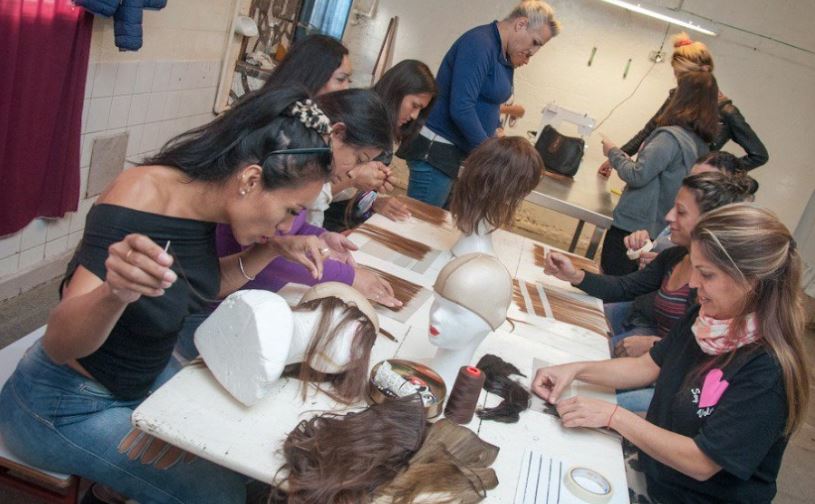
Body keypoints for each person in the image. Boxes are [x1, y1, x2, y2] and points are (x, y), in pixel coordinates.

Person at [0, 87, 337, 503]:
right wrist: (114, 294)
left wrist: (270, 248)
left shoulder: (204, 201)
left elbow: (203, 284)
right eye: (290, 211)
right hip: (62, 406)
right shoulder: (145, 195)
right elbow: (59, 342)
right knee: (222, 495)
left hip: (136, 382)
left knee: (248, 446)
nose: (290, 226)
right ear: (251, 179)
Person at [532, 203, 809, 502]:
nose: (692, 283)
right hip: (657, 476)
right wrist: (574, 369)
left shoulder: (769, 371)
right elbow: (646, 367)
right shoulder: (705, 320)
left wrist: (615, 416)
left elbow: (701, 462)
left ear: (751, 281)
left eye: (706, 274)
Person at [545, 171, 756, 411]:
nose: (668, 217)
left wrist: (653, 346)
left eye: (681, 211)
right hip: (654, 363)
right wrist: (576, 275)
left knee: (584, 401)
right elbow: (627, 287)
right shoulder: (674, 257)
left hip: (670, 383)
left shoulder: (716, 297)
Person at [397, 0, 560, 207]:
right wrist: (491, 154)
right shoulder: (480, 44)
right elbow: (462, 107)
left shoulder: (503, 53)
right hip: (437, 150)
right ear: (520, 24)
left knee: (440, 226)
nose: (534, 51)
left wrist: (496, 129)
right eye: (535, 42)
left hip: (458, 153)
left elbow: (487, 102)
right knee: (418, 224)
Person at [599, 69, 719, 276]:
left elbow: (638, 175)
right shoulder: (700, 145)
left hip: (632, 229)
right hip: (656, 231)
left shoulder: (669, 137)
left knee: (610, 281)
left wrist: (613, 153)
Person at [599, 33, 768, 175]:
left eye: (680, 75)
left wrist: (714, 170)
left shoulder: (727, 112)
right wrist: (616, 158)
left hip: (685, 188)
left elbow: (759, 155)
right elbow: (649, 130)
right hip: (656, 177)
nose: (677, 80)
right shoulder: (676, 97)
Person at [323, 59, 438, 228]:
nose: (414, 116)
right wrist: (353, 179)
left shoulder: (386, 135)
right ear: (397, 91)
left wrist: (373, 198)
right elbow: (309, 194)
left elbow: (348, 194)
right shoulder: (357, 116)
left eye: (420, 110)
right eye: (414, 105)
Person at [625, 150, 756, 268]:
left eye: (706, 181)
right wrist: (644, 247)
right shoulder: (681, 217)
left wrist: (666, 267)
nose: (693, 186)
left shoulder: (725, 254)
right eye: (692, 178)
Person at [261, 33, 352, 96]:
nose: (346, 88)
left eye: (349, 81)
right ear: (313, 76)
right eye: (341, 79)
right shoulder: (290, 120)